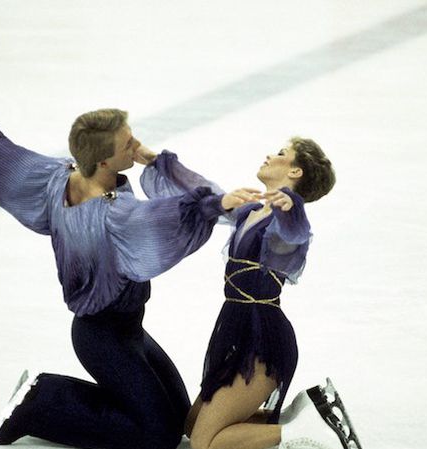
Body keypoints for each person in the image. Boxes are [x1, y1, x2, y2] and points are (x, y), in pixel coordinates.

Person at [0, 109, 260, 449]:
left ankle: (62, 400)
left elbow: (13, 161)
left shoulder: (60, 177)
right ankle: (40, 401)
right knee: (157, 437)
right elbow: (166, 217)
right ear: (103, 162)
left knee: (178, 418)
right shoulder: (113, 217)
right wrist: (214, 205)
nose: (136, 144)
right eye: (128, 144)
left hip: (129, 331)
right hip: (102, 336)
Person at [142, 136, 357, 449]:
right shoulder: (251, 211)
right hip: (234, 330)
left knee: (205, 444)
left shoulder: (285, 223)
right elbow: (207, 193)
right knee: (191, 425)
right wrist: (157, 162)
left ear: (295, 172)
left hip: (262, 340)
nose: (271, 155)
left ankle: (308, 431)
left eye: (282, 153)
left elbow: (293, 235)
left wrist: (290, 209)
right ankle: (290, 417)